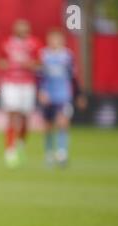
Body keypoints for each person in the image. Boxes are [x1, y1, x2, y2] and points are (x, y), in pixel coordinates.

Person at [38, 29, 86, 167]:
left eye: (57, 39)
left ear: (61, 41)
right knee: (47, 126)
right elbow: (39, 76)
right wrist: (41, 91)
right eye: (52, 39)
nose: (54, 42)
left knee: (63, 122)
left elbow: (74, 78)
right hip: (48, 95)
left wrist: (79, 95)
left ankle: (62, 153)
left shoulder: (67, 56)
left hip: (63, 95)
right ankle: (48, 153)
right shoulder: (44, 55)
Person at [0, 19, 40, 168]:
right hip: (11, 83)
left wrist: (28, 64)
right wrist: (5, 65)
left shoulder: (34, 43)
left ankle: (21, 143)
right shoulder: (7, 43)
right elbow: (0, 61)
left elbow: (39, 63)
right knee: (12, 115)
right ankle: (9, 150)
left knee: (25, 117)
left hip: (27, 83)